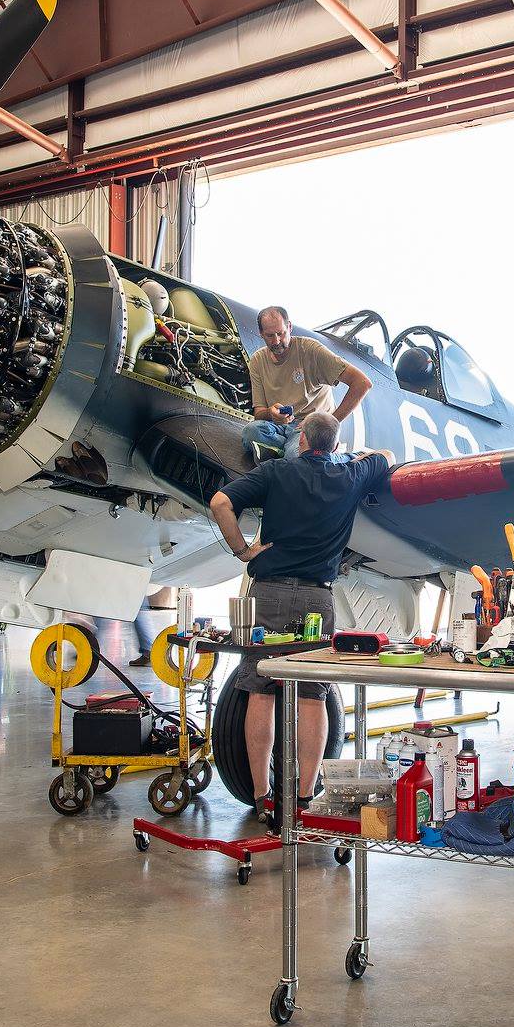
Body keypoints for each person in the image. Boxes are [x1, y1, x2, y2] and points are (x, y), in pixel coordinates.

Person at [208, 412, 394, 823]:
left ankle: (262, 796)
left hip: (268, 593)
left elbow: (220, 502)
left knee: (260, 688)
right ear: (334, 444)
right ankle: (306, 797)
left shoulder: (276, 470)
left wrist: (242, 550)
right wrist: (360, 457)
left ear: (303, 439)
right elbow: (386, 456)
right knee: (313, 695)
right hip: (316, 598)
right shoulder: (350, 475)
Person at [243, 306, 373, 458]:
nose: (277, 341)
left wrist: (331, 422)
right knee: (249, 433)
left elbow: (363, 383)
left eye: (281, 333)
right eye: (270, 335)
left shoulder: (311, 350)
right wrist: (271, 413)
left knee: (294, 456)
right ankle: (296, 453)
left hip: (312, 427)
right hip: (279, 426)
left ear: (289, 327)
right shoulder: (257, 361)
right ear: (261, 334)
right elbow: (259, 414)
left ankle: (330, 457)